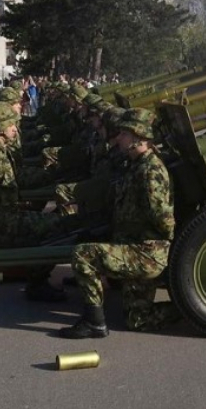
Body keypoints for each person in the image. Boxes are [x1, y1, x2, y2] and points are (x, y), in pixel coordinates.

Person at [59, 108, 179, 339]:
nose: (118, 138)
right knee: (137, 319)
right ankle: (188, 309)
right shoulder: (135, 164)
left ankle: (94, 322)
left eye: (124, 133)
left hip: (145, 252)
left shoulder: (150, 171)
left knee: (83, 254)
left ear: (138, 137)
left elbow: (164, 221)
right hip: (133, 245)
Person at [0, 102, 69, 302]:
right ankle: (37, 284)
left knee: (53, 223)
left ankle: (37, 280)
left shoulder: (0, 149)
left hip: (5, 219)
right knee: (53, 228)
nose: (15, 129)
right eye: (11, 126)